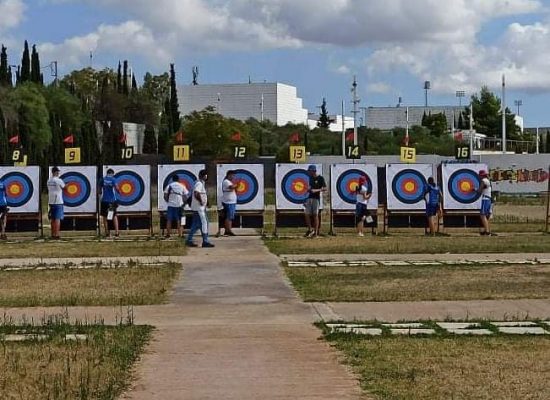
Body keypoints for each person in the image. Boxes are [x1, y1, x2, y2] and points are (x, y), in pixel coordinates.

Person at [185, 169, 215, 248]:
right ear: (205, 176)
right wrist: (201, 202)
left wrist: (206, 203)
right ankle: (205, 241)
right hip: (199, 208)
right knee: (205, 222)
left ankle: (189, 240)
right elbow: (196, 193)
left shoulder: (199, 183)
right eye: (206, 175)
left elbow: (200, 194)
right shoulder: (199, 184)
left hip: (198, 207)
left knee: (196, 225)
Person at [304, 164, 327, 238]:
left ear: (313, 171)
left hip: (316, 199)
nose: (309, 172)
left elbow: (325, 188)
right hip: (309, 198)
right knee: (307, 214)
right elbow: (310, 186)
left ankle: (316, 232)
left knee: (315, 215)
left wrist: (316, 190)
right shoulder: (310, 178)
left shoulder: (320, 178)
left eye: (310, 171)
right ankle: (310, 229)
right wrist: (309, 189)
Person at [99, 168, 120, 238]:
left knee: (105, 217)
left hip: (104, 201)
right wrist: (120, 192)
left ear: (107, 173)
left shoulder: (103, 179)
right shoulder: (113, 179)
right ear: (112, 173)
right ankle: (117, 233)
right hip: (111, 201)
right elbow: (117, 188)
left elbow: (99, 190)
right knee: (114, 216)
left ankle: (107, 233)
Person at [47, 166, 65, 239]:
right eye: (58, 172)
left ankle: (52, 234)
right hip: (58, 201)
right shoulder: (59, 180)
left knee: (52, 218)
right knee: (57, 219)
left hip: (51, 200)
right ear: (55, 172)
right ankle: (56, 235)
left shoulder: (49, 180)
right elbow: (64, 187)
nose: (58, 173)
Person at [476, 169, 496, 236]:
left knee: (482, 215)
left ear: (481, 176)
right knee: (486, 216)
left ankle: (487, 232)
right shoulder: (487, 181)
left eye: (480, 176)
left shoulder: (483, 180)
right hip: (488, 199)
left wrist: (474, 189)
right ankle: (487, 230)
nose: (479, 177)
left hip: (485, 199)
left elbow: (479, 190)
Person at [221, 170, 238, 236]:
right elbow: (231, 187)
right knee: (229, 217)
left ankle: (228, 230)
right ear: (229, 175)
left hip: (231, 202)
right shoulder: (226, 181)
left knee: (230, 217)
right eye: (232, 175)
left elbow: (232, 188)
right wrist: (237, 185)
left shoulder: (229, 182)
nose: (233, 177)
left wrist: (236, 186)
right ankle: (228, 231)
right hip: (229, 202)